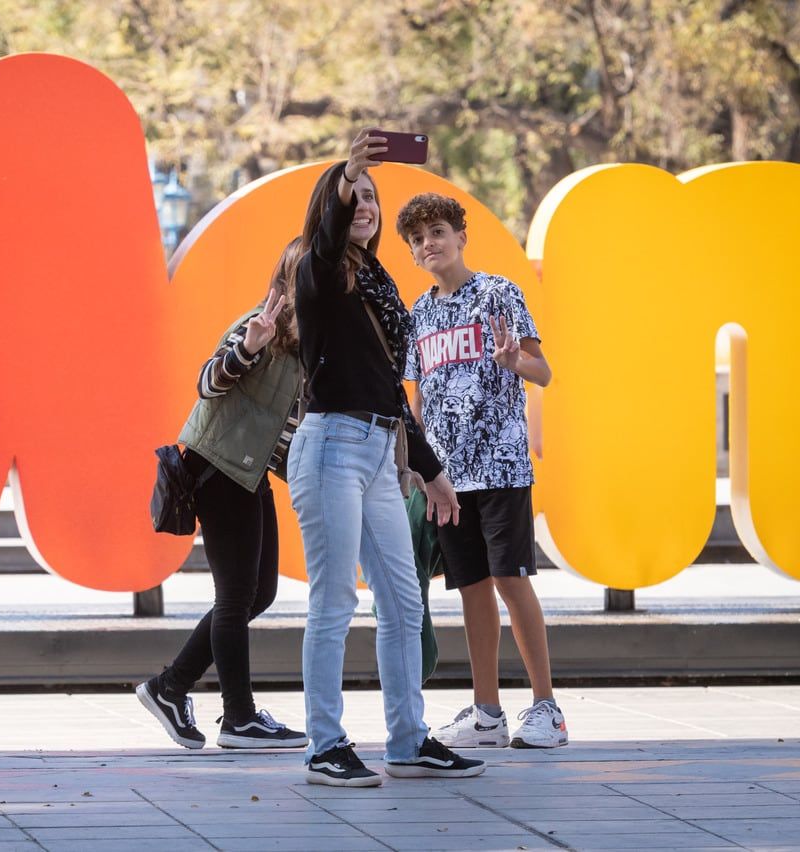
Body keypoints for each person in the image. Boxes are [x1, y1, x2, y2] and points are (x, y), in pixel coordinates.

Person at [289, 129, 486, 787]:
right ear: (336, 205)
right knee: (335, 599)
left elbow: (390, 391)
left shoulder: (375, 279)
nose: (367, 204)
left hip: (378, 450)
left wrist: (432, 474)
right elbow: (324, 241)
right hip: (330, 450)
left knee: (404, 601)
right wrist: (348, 172)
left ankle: (407, 740)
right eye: (356, 197)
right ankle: (326, 745)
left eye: (373, 196)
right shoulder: (315, 272)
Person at [397, 192, 567, 749]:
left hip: (501, 465)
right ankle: (487, 712)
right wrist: (415, 467)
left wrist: (513, 360)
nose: (430, 244)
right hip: (447, 478)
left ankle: (548, 710)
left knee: (511, 581)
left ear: (461, 236)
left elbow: (542, 372)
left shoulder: (499, 293)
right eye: (419, 239)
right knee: (470, 587)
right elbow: (417, 400)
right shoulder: (417, 315)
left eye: (439, 231)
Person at [136, 239, 309, 750]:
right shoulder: (258, 325)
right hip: (217, 468)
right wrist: (248, 348)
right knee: (236, 596)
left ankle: (170, 687)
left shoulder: (307, 350)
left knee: (261, 593)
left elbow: (285, 427)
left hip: (249, 473)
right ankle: (239, 718)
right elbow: (207, 384)